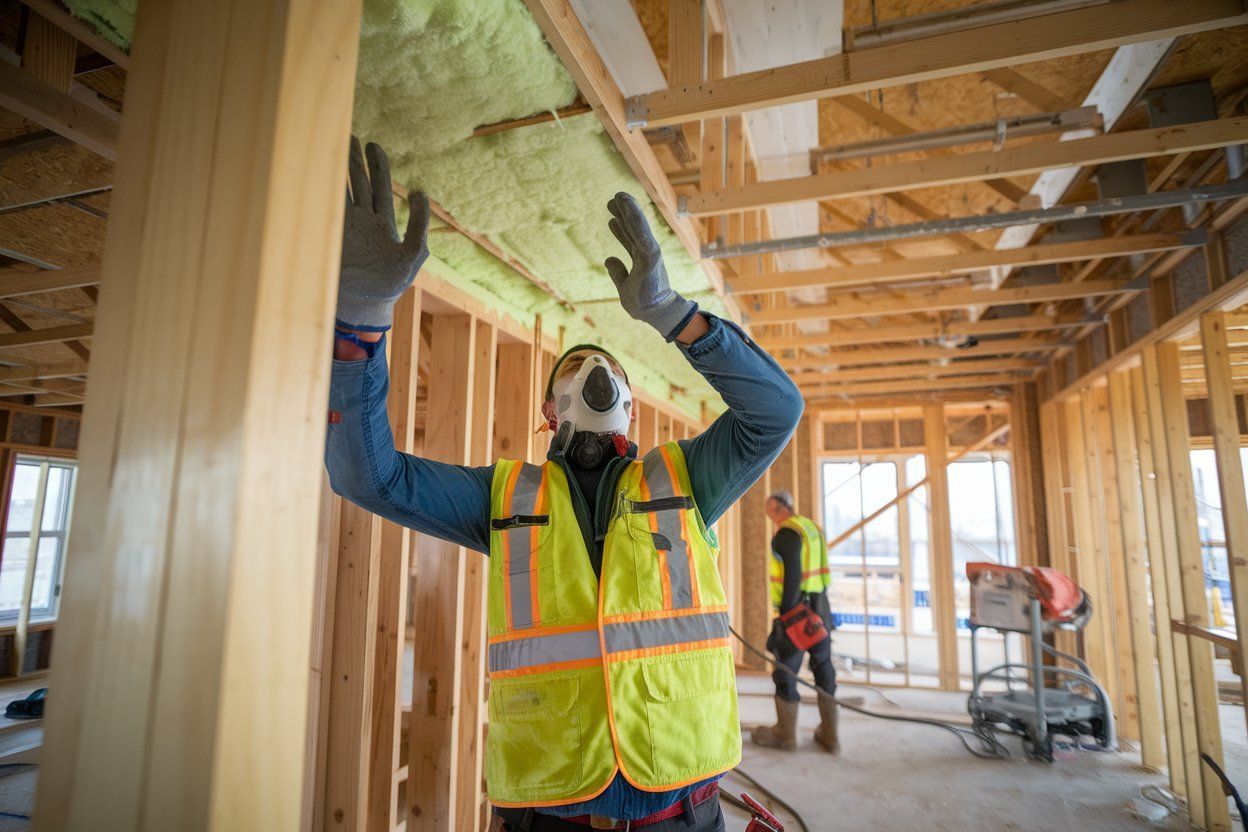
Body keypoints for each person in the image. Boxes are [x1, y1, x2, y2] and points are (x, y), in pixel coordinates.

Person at [325, 139, 803, 832]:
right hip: (548, 813)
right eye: (574, 370)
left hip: (681, 812)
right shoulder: (504, 499)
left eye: (608, 370)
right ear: (549, 412)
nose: (594, 376)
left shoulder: (686, 478)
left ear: (630, 408)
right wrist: (360, 328)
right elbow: (368, 477)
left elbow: (778, 410)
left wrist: (673, 314)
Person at [751, 490, 839, 755]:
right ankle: (831, 737)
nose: (769, 516)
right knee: (823, 666)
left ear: (781, 508)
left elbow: (792, 577)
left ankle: (785, 735)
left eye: (771, 510)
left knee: (785, 671)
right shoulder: (811, 528)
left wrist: (786, 621)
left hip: (798, 611)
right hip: (820, 607)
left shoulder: (787, 533)